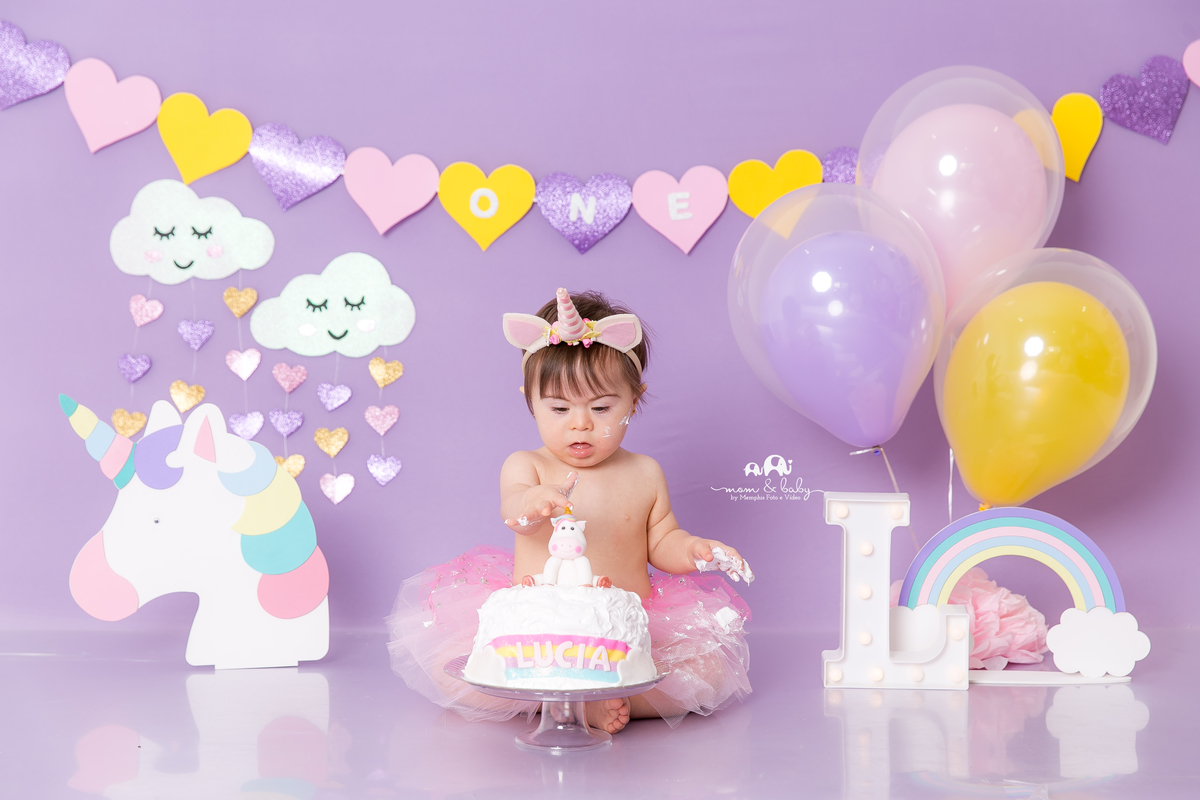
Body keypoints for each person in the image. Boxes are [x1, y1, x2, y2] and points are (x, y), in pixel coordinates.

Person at [388, 288, 751, 732]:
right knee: (456, 668)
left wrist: (694, 549)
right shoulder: (529, 465)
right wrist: (535, 501)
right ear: (531, 401)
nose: (580, 423)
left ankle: (601, 701)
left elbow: (661, 542)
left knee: (704, 674)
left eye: (601, 407)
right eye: (559, 408)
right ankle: (554, 699)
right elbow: (514, 513)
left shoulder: (644, 473)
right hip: (537, 630)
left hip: (623, 629)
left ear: (634, 401)